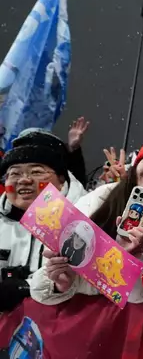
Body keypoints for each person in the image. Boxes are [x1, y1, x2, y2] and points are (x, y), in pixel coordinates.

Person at [29, 135, 143, 359]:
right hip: (77, 325)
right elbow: (42, 283)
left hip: (134, 334)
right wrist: (59, 283)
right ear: (137, 162)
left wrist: (133, 258)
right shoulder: (102, 197)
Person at [0, 129, 86, 312]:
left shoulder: (88, 219)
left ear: (62, 179)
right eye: (14, 174)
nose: (24, 180)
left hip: (62, 330)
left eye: (36, 171)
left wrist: (29, 288)